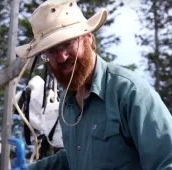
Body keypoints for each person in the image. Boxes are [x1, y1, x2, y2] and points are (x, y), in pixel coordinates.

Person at [15, 0, 172, 170]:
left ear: (88, 38)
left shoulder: (130, 93)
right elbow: (78, 156)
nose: (61, 57)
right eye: (52, 51)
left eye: (67, 43)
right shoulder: (66, 104)